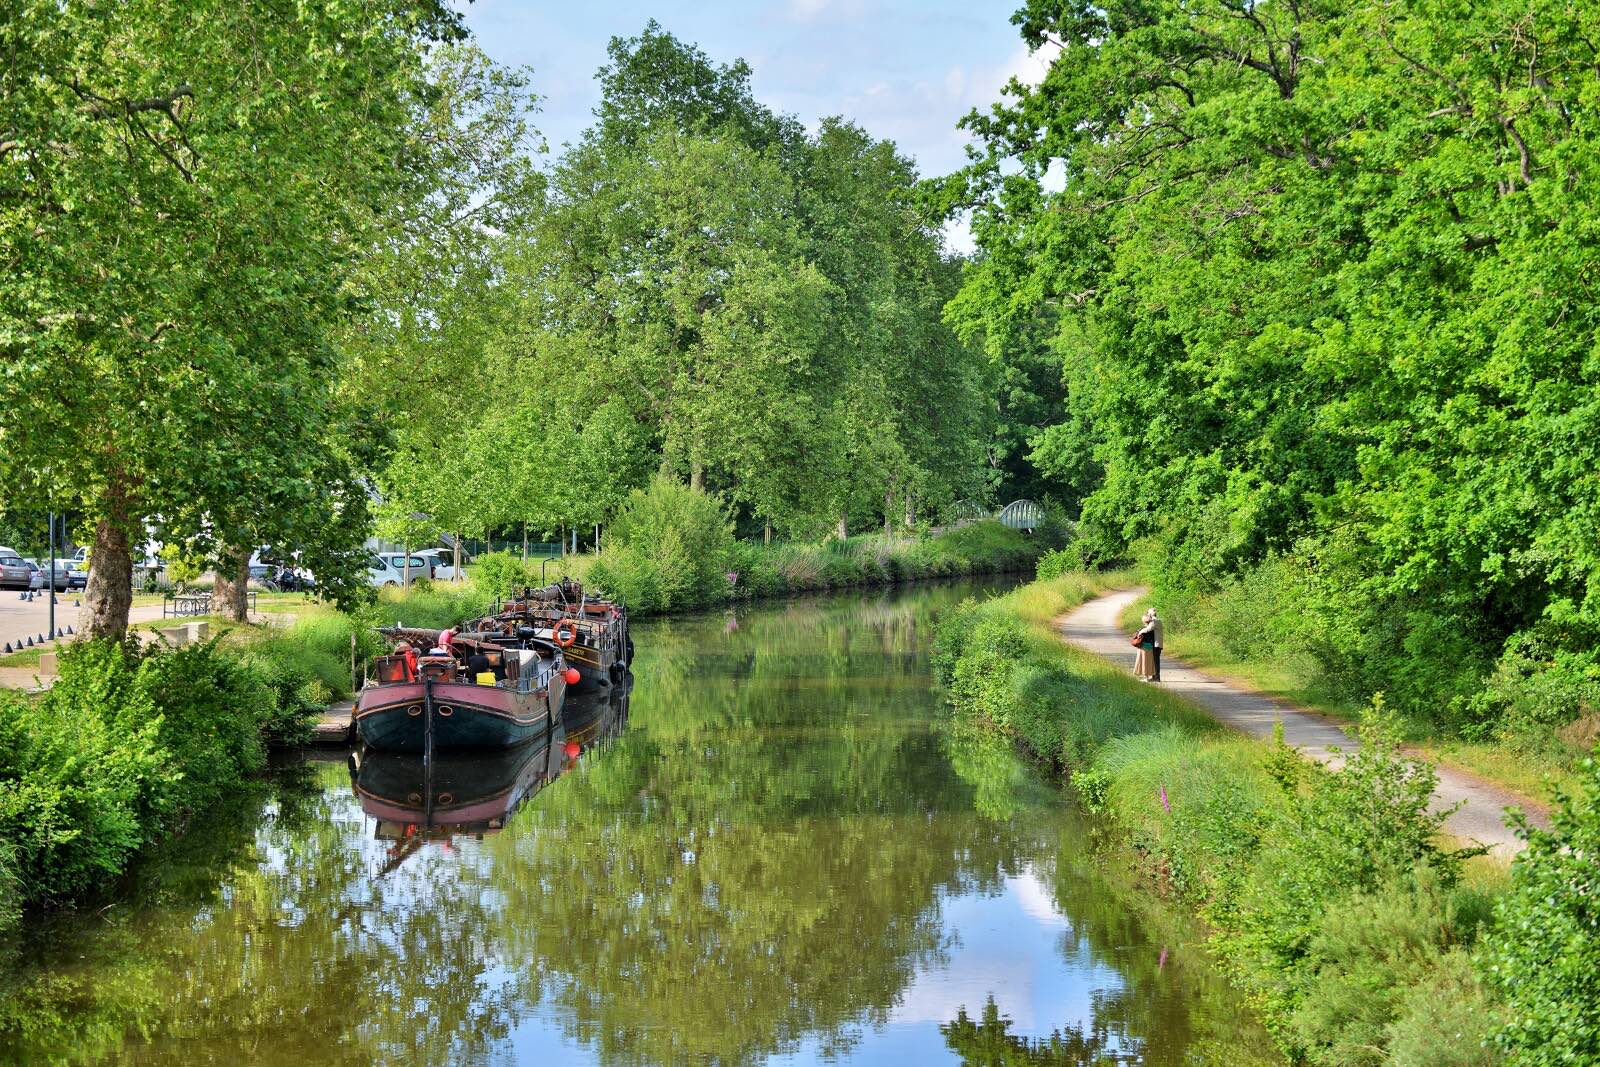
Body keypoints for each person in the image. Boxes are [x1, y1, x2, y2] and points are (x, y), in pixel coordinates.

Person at [1148, 609, 1164, 682]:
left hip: (1156, 644)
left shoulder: (1154, 621)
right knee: (1154, 661)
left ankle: (1157, 677)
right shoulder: (1159, 621)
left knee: (1155, 661)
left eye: (1148, 614)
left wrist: (1139, 632)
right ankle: (1154, 677)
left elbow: (1148, 629)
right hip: (1158, 643)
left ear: (1151, 614)